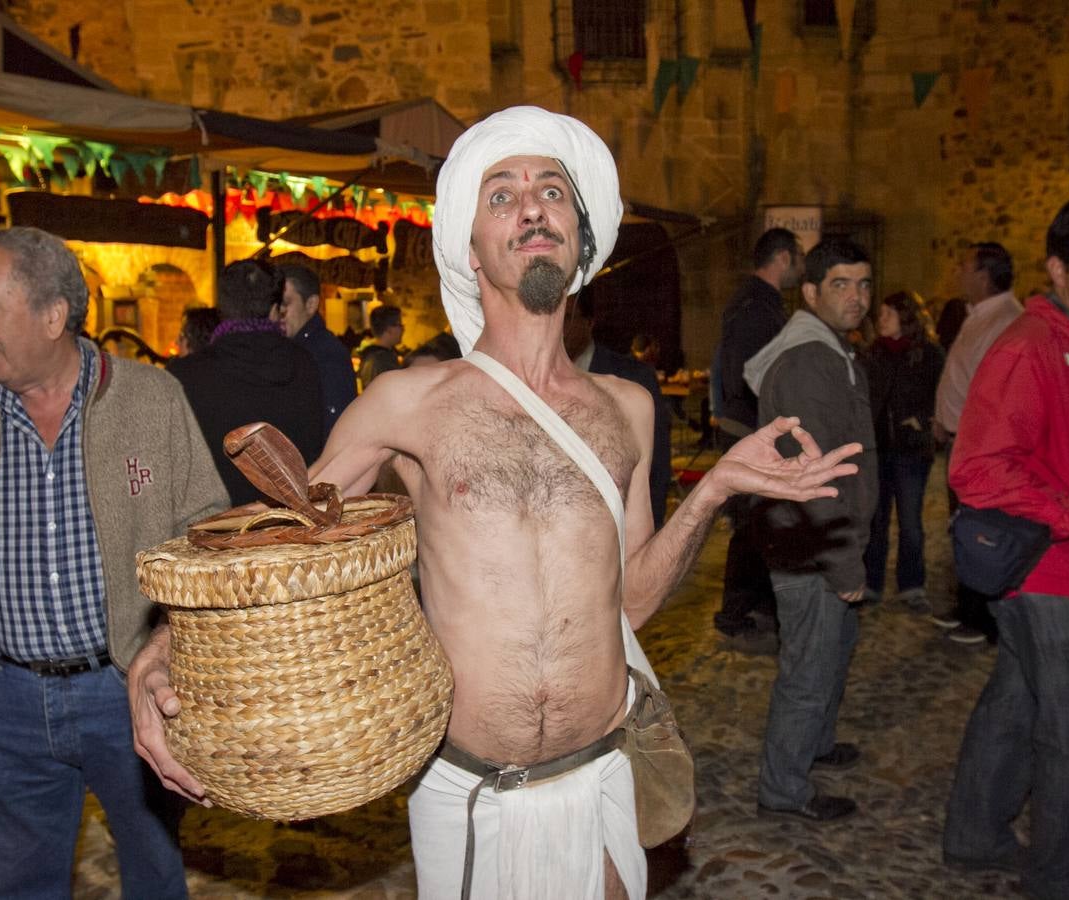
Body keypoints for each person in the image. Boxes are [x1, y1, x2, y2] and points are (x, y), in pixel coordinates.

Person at [128, 106, 860, 900]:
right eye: (502, 196)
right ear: (469, 247)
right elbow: (282, 540)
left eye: (552, 190)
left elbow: (632, 603)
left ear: (580, 240)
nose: (533, 206)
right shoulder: (409, 400)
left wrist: (714, 488)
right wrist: (169, 647)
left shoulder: (628, 407)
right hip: (469, 792)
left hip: (601, 773)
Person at [0, 226, 228, 899]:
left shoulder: (151, 398)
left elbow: (201, 528)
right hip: (0, 699)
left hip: (127, 689)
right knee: (20, 885)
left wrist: (170, 649)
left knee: (154, 870)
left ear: (53, 315)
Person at [942, 193, 1069, 900]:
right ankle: (1060, 879)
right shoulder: (1033, 347)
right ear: (1059, 269)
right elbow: (976, 468)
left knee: (1016, 703)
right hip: (1054, 574)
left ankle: (975, 835)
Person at [744, 237, 878, 824]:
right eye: (841, 285)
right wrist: (846, 565)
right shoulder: (808, 361)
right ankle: (784, 789)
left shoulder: (829, 350)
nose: (857, 298)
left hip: (824, 544)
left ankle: (816, 744)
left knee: (832, 655)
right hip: (811, 549)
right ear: (811, 292)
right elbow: (818, 479)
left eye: (864, 284)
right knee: (808, 670)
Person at [713, 227, 804, 652]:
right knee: (752, 527)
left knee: (756, 526)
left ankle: (751, 608)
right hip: (750, 432)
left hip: (750, 428)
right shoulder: (756, 308)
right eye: (798, 258)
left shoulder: (758, 303)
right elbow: (748, 377)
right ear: (783, 258)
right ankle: (738, 612)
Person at [169, 259, 325, 506]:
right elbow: (316, 447)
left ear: (222, 309)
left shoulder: (184, 375)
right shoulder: (305, 363)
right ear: (275, 310)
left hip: (216, 527)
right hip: (290, 521)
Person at [929, 242, 1022, 644]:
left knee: (982, 531)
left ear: (984, 275)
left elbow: (994, 395)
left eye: (964, 265)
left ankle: (984, 618)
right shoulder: (980, 316)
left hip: (979, 448)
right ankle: (968, 605)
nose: (957, 272)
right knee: (962, 528)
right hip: (959, 442)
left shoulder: (1005, 321)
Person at [861, 291, 945, 613]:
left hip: (910, 451)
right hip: (878, 449)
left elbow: (942, 394)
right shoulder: (872, 355)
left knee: (910, 521)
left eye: (887, 314)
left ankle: (912, 585)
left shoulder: (928, 355)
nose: (880, 320)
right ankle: (872, 582)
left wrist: (921, 419)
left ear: (905, 318)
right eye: (880, 314)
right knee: (876, 520)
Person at [563, 287, 672, 526]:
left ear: (589, 322)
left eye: (566, 318)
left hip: (620, 528)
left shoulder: (632, 378)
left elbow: (656, 466)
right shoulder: (529, 380)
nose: (556, 329)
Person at [271, 263, 358, 441]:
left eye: (285, 303)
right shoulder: (286, 348)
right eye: (275, 304)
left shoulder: (326, 354)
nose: (278, 312)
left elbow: (335, 429)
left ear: (311, 304)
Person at [358, 304, 403, 388]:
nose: (403, 329)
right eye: (399, 324)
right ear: (389, 329)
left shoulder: (387, 354)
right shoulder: (375, 360)